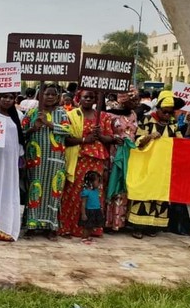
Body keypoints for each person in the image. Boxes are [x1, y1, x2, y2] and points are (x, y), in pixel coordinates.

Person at [59, 89, 115, 238]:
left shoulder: (103, 117)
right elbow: (65, 138)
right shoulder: (71, 115)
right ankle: (70, 227)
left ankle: (91, 228)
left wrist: (100, 136)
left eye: (92, 97)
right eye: (86, 97)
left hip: (96, 160)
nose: (89, 99)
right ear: (79, 98)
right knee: (74, 193)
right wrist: (85, 140)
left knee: (94, 195)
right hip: (78, 158)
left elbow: (111, 138)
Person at [127, 91, 184, 237]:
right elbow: (137, 142)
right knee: (144, 192)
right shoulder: (147, 120)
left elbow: (181, 143)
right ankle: (137, 227)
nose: (167, 115)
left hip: (164, 167)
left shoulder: (173, 124)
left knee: (160, 194)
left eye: (170, 113)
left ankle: (152, 226)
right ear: (158, 109)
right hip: (147, 163)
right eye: (165, 112)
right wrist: (150, 137)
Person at [21, 85, 70, 236]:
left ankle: (51, 226)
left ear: (57, 97)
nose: (49, 97)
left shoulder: (62, 113)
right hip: (36, 159)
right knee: (34, 188)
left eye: (52, 95)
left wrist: (49, 124)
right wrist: (33, 128)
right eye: (46, 94)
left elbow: (68, 130)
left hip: (55, 159)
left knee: (53, 191)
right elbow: (22, 132)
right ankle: (32, 224)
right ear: (40, 96)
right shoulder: (32, 112)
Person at [0, 92, 24, 241]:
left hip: (9, 161)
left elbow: (20, 138)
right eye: (4, 97)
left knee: (7, 190)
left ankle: (5, 227)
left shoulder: (18, 116)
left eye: (10, 98)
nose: (7, 100)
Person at [104, 90, 139, 232]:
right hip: (113, 153)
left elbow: (134, 133)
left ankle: (119, 222)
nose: (131, 102)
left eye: (133, 100)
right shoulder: (109, 114)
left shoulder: (133, 115)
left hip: (128, 154)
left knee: (123, 186)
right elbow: (105, 132)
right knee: (110, 183)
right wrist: (114, 138)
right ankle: (107, 221)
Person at [80, 170, 105, 242]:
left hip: (96, 210)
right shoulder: (86, 192)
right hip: (89, 211)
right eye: (97, 181)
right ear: (90, 182)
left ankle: (88, 236)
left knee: (92, 225)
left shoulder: (96, 190)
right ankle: (84, 238)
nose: (99, 183)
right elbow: (83, 203)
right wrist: (83, 214)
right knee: (86, 226)